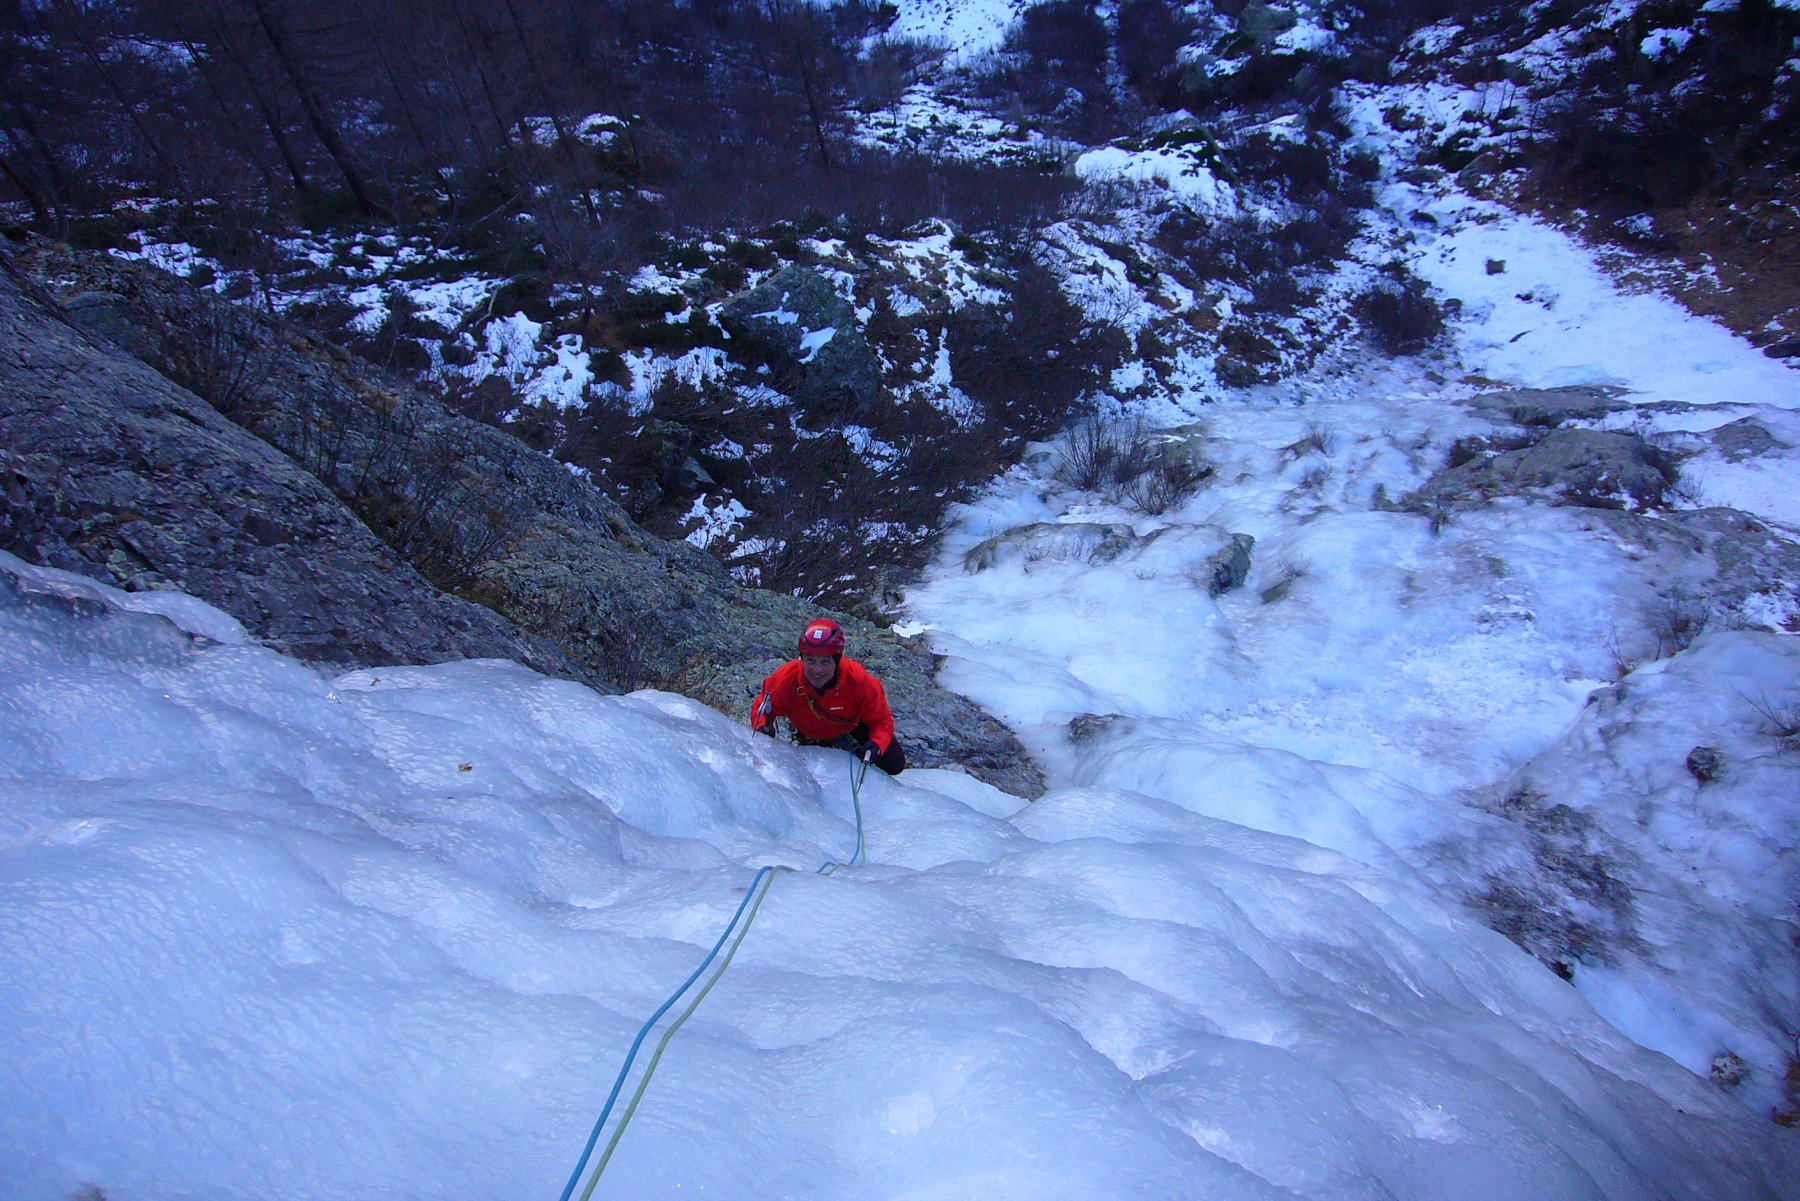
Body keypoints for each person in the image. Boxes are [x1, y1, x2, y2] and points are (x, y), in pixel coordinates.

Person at [751, 617, 906, 775]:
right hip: (807, 729)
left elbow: (881, 720)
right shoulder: (785, 680)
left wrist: (876, 744)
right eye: (810, 661)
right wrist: (763, 727)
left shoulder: (858, 681)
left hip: (851, 725)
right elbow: (762, 706)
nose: (817, 670)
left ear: (837, 660)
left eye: (825, 662)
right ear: (801, 659)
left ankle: (842, 740)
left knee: (893, 763)